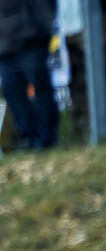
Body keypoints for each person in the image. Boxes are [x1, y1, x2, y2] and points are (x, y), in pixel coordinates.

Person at [0, 0, 56, 149]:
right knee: (11, 91)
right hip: (5, 46)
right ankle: (27, 137)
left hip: (32, 39)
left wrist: (44, 31)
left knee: (40, 88)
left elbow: (43, 6)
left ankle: (46, 138)